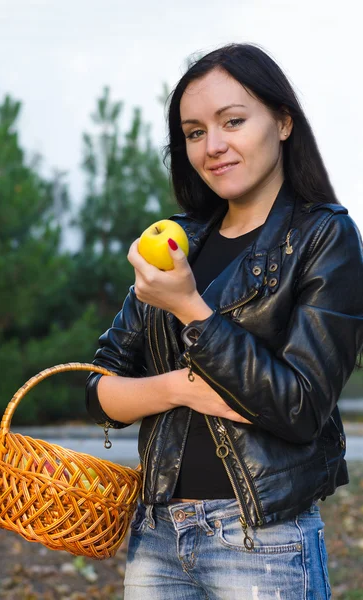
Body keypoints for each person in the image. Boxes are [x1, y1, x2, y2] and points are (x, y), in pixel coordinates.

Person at [85, 43, 363, 599]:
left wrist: (189, 306)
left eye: (232, 121)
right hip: (156, 532)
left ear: (283, 122)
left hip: (263, 540)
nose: (213, 146)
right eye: (193, 132)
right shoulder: (177, 244)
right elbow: (95, 391)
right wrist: (181, 387)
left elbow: (300, 408)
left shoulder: (323, 238)